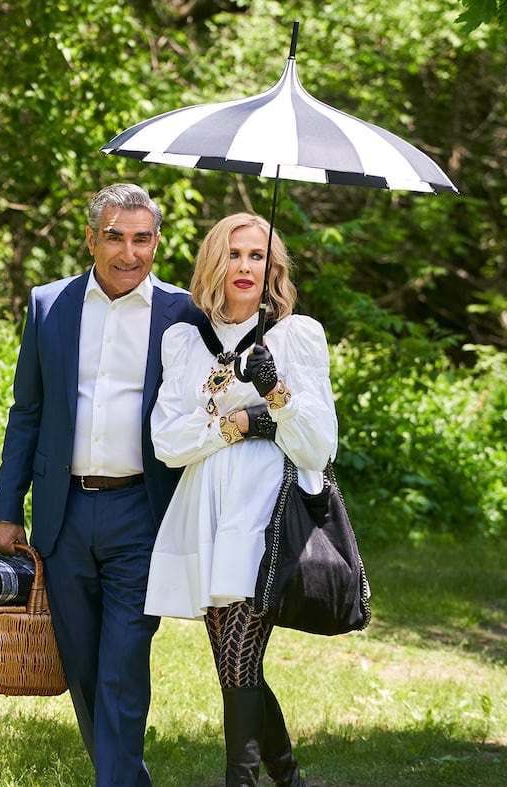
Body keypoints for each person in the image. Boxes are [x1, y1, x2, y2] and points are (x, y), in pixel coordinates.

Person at [0, 183, 202, 786]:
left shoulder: (182, 313)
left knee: (123, 664)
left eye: (141, 239)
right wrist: (7, 509)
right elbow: (26, 412)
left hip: (143, 511)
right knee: (80, 666)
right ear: (91, 239)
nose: (128, 253)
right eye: (115, 237)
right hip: (64, 514)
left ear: (157, 242)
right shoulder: (48, 306)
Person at [147, 213, 336, 787]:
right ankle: (290, 777)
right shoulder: (185, 340)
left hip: (264, 515)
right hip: (206, 511)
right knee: (237, 664)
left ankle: (243, 780)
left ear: (271, 267)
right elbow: (167, 441)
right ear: (214, 263)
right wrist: (231, 426)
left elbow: (318, 446)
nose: (245, 266)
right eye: (234, 254)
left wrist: (274, 391)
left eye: (257, 255)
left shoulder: (295, 336)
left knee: (237, 660)